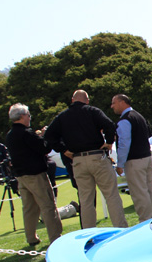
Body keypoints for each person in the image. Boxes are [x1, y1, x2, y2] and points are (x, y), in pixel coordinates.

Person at [44, 89, 128, 229]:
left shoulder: (63, 116)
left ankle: (88, 233)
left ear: (72, 100)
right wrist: (108, 142)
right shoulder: (92, 111)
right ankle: (120, 228)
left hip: (77, 160)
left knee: (86, 200)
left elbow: (49, 135)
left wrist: (63, 149)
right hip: (97, 156)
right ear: (87, 100)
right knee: (111, 195)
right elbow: (109, 125)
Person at [5, 103, 63, 246]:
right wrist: (45, 136)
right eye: (28, 115)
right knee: (48, 205)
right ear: (22, 116)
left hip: (21, 176)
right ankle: (56, 237)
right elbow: (43, 148)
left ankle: (31, 237)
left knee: (29, 208)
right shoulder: (26, 133)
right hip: (35, 174)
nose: (29, 118)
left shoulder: (10, 135)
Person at [110, 94, 152, 223]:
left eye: (113, 103)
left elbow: (124, 143)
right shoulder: (139, 116)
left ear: (122, 102)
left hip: (134, 160)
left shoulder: (125, 120)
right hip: (146, 157)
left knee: (139, 193)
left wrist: (120, 164)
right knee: (149, 189)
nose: (112, 106)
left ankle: (145, 221)